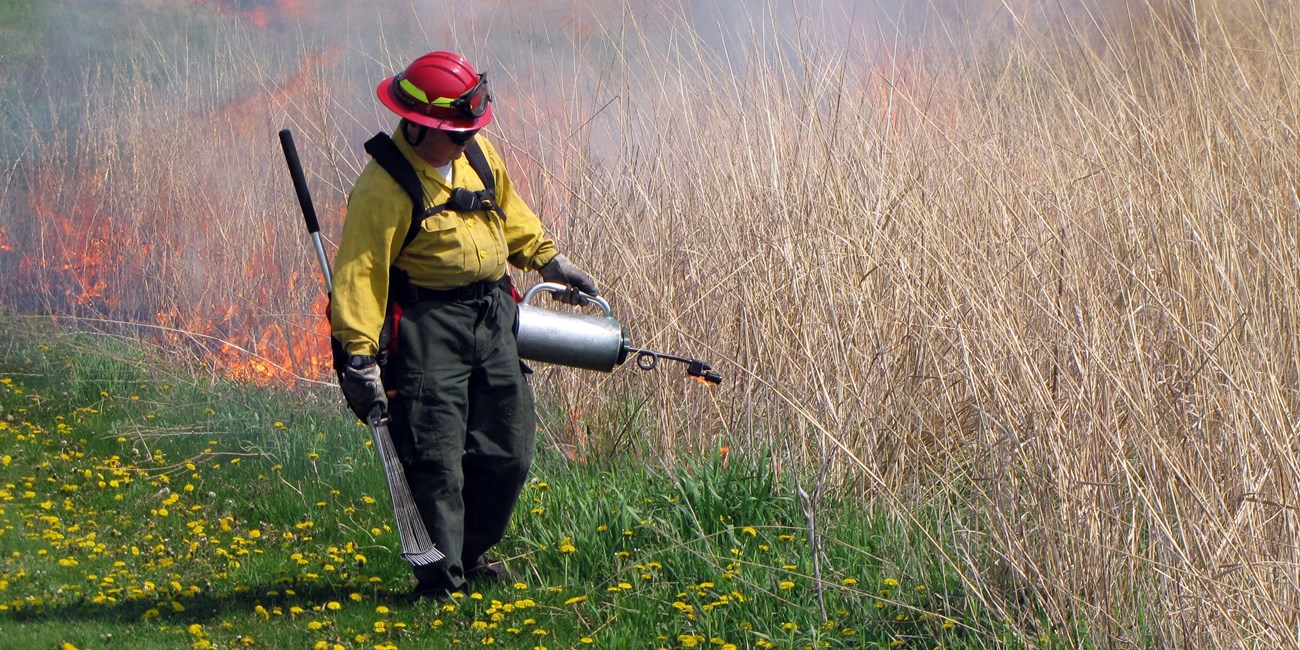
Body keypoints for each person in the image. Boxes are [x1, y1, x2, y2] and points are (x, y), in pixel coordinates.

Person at [330, 50, 598, 600]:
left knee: (509, 447)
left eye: (470, 131)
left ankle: (470, 553)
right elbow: (360, 273)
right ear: (423, 124)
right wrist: (358, 354)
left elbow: (508, 208)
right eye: (457, 132)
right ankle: (441, 579)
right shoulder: (383, 188)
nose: (467, 139)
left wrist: (548, 259)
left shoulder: (475, 152)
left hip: (493, 315)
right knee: (436, 455)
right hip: (429, 328)